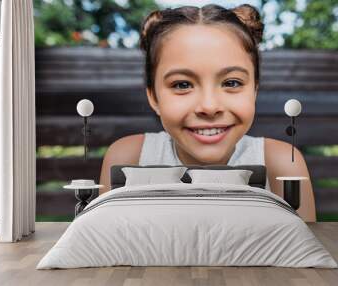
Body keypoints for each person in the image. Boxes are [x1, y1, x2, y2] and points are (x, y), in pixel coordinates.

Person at [99, 4, 316, 222]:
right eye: (182, 85)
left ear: (254, 90)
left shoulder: (281, 162)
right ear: (154, 97)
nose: (209, 106)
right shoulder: (128, 157)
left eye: (231, 82)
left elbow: (306, 249)